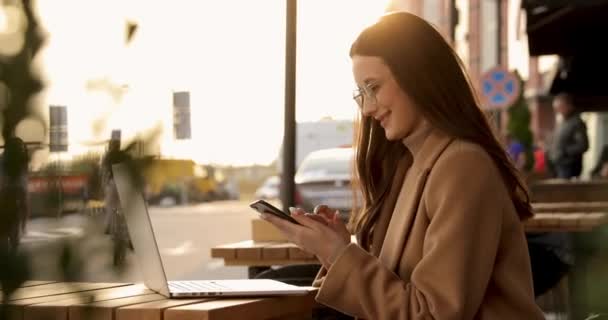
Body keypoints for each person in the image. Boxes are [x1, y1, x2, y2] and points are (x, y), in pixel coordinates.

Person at [260, 12, 544, 319]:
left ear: (418, 76)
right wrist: (338, 247)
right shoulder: (410, 166)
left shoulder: (462, 166)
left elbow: (433, 314)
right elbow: (399, 291)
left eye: (374, 87)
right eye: (361, 94)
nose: (367, 109)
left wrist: (338, 254)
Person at [547, 93, 588, 179]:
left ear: (569, 106)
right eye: (556, 108)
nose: (557, 111)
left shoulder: (576, 123)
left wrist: (564, 151)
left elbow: (583, 145)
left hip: (568, 167)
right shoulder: (563, 122)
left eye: (560, 107)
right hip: (557, 166)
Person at [0, 136, 30, 253]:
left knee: (8, 240)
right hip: (9, 203)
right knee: (10, 241)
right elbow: (23, 194)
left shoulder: (17, 162)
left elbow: (23, 194)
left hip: (9, 203)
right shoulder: (19, 163)